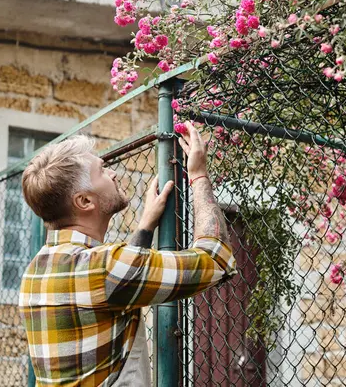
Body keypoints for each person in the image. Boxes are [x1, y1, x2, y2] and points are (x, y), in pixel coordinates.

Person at [19, 121, 237, 386]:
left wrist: (145, 228)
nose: (112, 174)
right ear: (84, 201)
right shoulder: (104, 268)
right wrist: (199, 175)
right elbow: (216, 259)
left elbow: (116, 286)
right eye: (102, 171)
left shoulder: (36, 269)